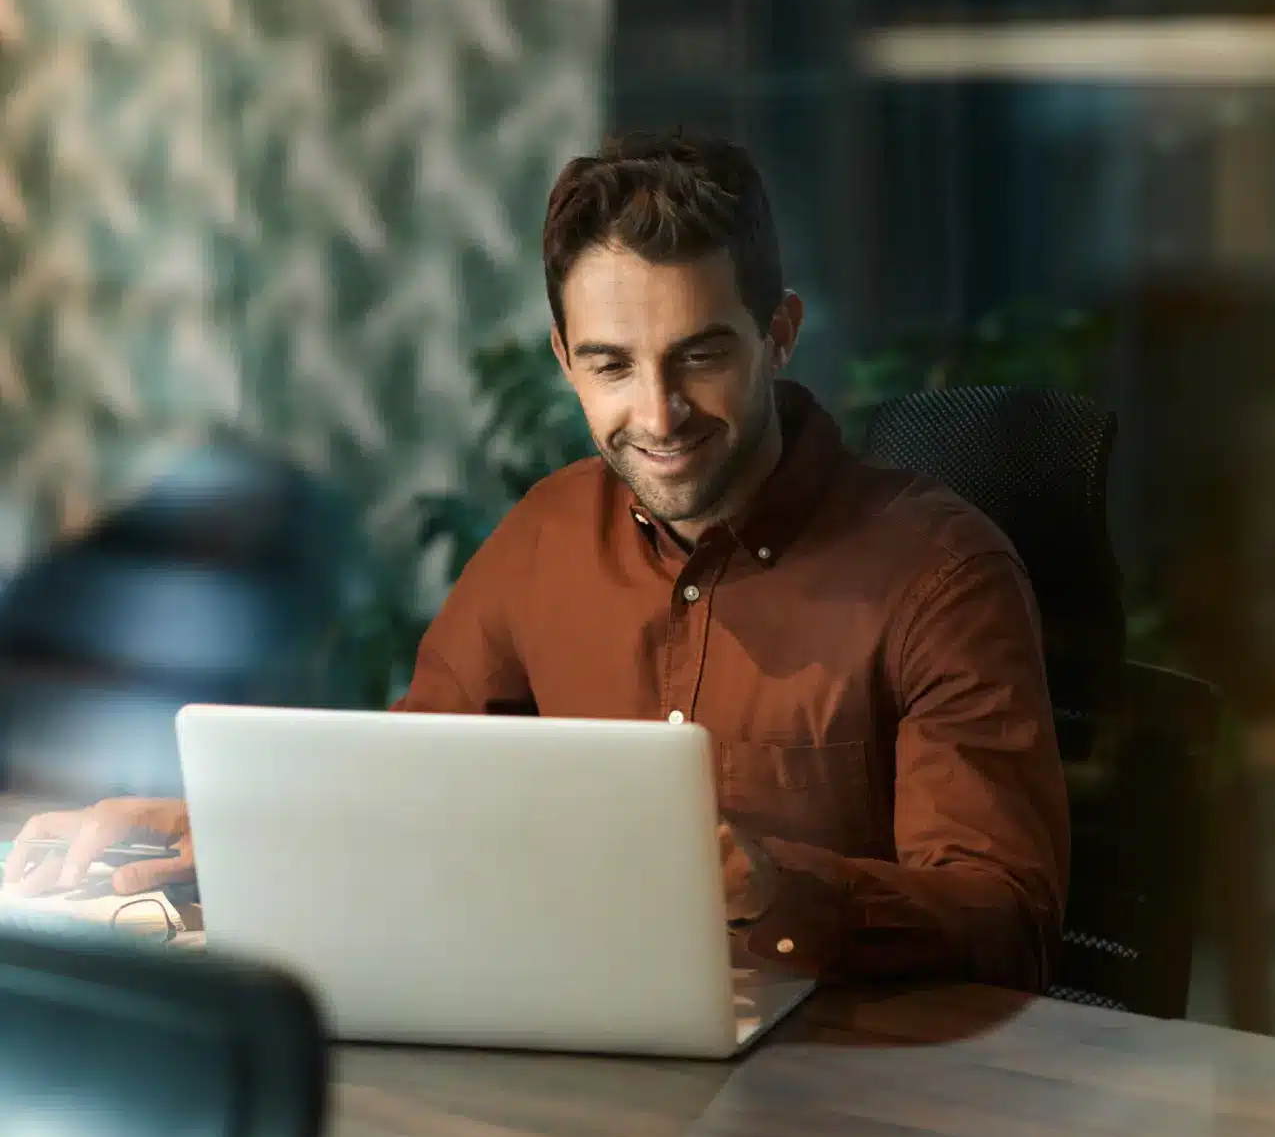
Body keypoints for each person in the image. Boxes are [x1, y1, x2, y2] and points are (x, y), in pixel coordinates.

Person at [3, 133, 1068, 990]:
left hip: (851, 1112)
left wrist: (772, 887)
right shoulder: (547, 536)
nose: (656, 414)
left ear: (778, 333)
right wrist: (195, 831)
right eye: (610, 366)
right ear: (564, 360)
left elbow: (1005, 921)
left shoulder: (940, 574)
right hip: (570, 1074)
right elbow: (403, 800)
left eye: (700, 356)